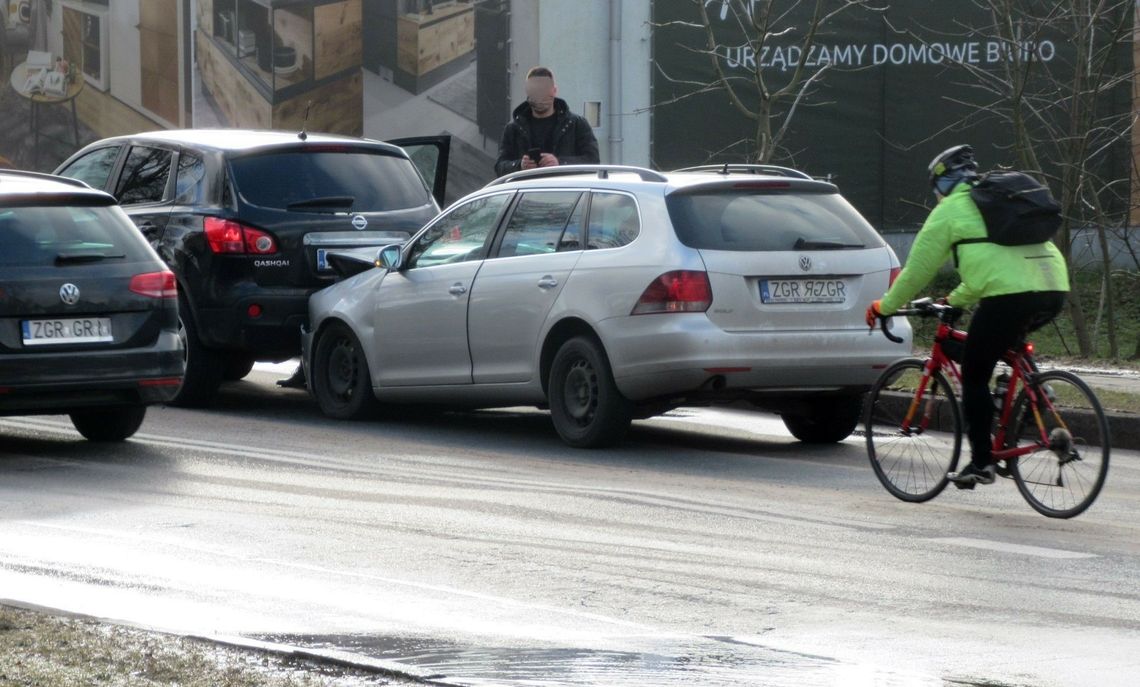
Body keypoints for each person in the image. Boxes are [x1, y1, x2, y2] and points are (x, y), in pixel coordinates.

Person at [865, 144, 1070, 488]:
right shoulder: (1001, 201)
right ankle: (1033, 397)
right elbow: (992, 268)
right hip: (1054, 287)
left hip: (1009, 297)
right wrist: (955, 298)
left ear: (942, 184)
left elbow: (916, 272)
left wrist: (884, 306)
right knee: (999, 346)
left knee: (975, 374)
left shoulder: (950, 211)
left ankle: (981, 463)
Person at [494, 66, 599, 177]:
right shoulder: (513, 128)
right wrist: (520, 165)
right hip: (528, 191)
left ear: (554, 91)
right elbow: (500, 167)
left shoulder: (577, 124)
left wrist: (560, 163)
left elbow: (593, 161)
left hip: (567, 192)